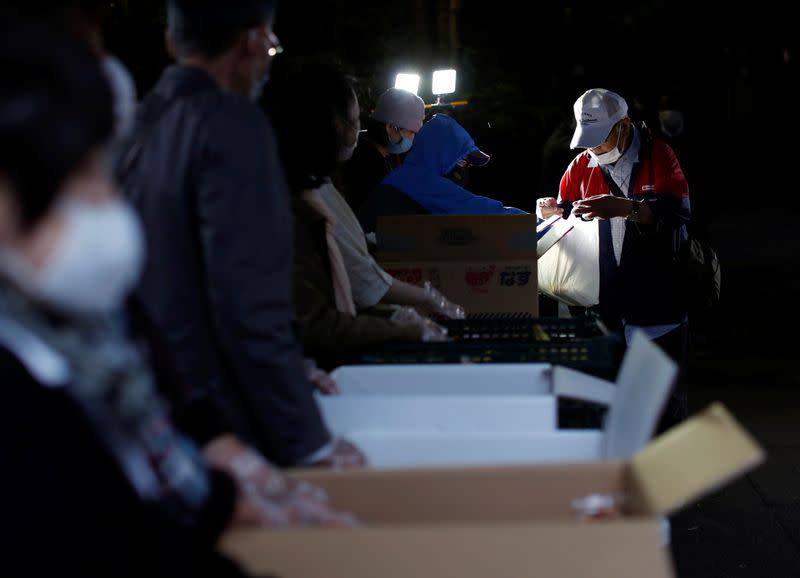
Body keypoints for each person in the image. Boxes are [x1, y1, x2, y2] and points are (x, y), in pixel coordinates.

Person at [0, 21, 254, 577]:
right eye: (76, 176)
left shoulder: (68, 345)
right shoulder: (23, 391)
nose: (103, 206)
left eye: (102, 171)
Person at [117, 0, 363, 468]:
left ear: (172, 41)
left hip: (155, 409)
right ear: (252, 40)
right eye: (270, 41)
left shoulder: (137, 122)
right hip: (225, 419)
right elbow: (249, 303)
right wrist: (310, 441)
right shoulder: (233, 126)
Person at [266, 65, 449, 364]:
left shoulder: (311, 184)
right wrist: (405, 326)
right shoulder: (289, 204)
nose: (355, 130)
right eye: (354, 120)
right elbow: (318, 321)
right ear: (333, 126)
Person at [538, 88, 691, 431]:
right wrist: (554, 210)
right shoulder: (581, 165)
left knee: (661, 409)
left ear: (623, 126)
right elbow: (566, 213)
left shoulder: (659, 155)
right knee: (611, 408)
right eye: (587, 140)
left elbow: (677, 214)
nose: (593, 149)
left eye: (600, 139)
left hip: (657, 305)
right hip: (604, 308)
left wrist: (627, 209)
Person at [357, 113, 525, 235]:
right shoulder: (420, 180)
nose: (465, 168)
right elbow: (484, 211)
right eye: (462, 161)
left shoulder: (405, 175)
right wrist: (538, 223)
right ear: (441, 154)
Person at [340, 87, 425, 212]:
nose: (413, 138)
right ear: (391, 127)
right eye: (412, 132)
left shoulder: (379, 154)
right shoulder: (367, 163)